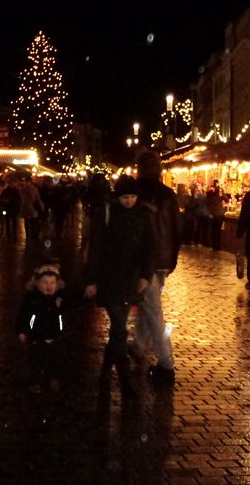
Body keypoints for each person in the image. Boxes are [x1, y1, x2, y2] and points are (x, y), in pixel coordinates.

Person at [83, 175, 156, 400]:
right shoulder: (106, 214)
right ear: (118, 197)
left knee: (118, 328)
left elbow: (149, 248)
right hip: (109, 278)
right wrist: (90, 280)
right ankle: (125, 381)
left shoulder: (143, 216)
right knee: (120, 328)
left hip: (131, 280)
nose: (129, 201)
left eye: (133, 197)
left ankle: (106, 367)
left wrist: (145, 275)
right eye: (125, 197)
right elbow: (95, 247)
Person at [130, 150, 182, 384]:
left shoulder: (137, 193)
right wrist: (172, 258)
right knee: (147, 305)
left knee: (152, 310)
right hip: (163, 259)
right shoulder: (168, 195)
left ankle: (166, 363)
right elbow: (177, 229)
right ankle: (139, 345)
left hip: (145, 260)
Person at [16, 262, 69, 393]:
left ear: (57, 284)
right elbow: (23, 315)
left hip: (55, 335)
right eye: (45, 283)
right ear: (37, 284)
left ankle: (53, 378)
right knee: (36, 360)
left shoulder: (60, 299)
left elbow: (72, 303)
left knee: (56, 359)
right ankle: (35, 381)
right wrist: (22, 330)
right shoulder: (32, 299)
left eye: (52, 283)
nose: (49, 286)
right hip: (37, 336)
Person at [17, 173, 44, 241]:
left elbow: (21, 199)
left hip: (29, 208)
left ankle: (29, 236)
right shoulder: (33, 189)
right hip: (30, 208)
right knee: (31, 222)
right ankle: (32, 236)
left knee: (29, 222)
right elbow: (38, 198)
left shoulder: (23, 189)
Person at [205, 181, 225, 249]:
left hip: (214, 215)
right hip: (219, 214)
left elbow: (207, 204)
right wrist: (223, 193)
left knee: (214, 230)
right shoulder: (219, 196)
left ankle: (214, 245)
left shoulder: (210, 196)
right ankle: (217, 245)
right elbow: (227, 200)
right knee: (218, 231)